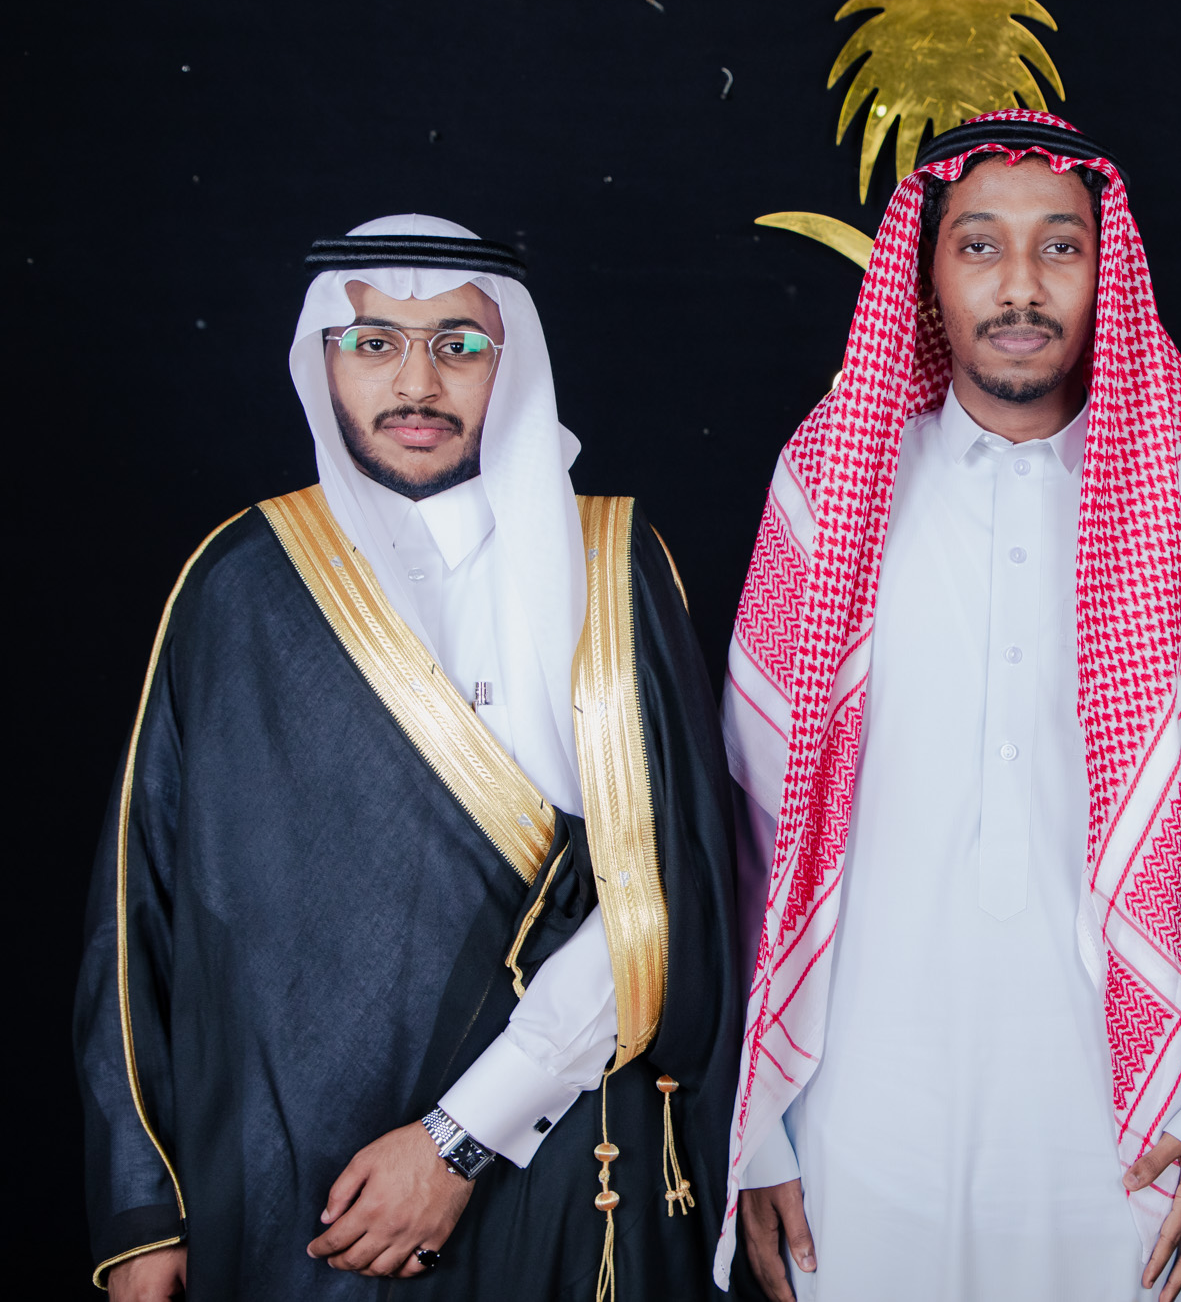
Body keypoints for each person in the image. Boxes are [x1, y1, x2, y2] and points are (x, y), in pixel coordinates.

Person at [75, 216, 740, 1300]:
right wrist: (142, 1209)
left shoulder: (612, 566)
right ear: (324, 359)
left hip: (554, 1159)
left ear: (509, 359)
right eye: (375, 342)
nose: (417, 382)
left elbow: (667, 893)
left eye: (458, 345)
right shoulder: (238, 581)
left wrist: (459, 1137)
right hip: (285, 1185)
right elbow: (134, 901)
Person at [716, 112, 1181, 1302]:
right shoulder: (833, 478)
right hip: (859, 1112)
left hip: (1126, 1121)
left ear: (1104, 272)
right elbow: (751, 825)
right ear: (928, 275)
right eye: (980, 246)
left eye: (1060, 247)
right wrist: (759, 1128)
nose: (1020, 287)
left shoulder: (1178, 489)